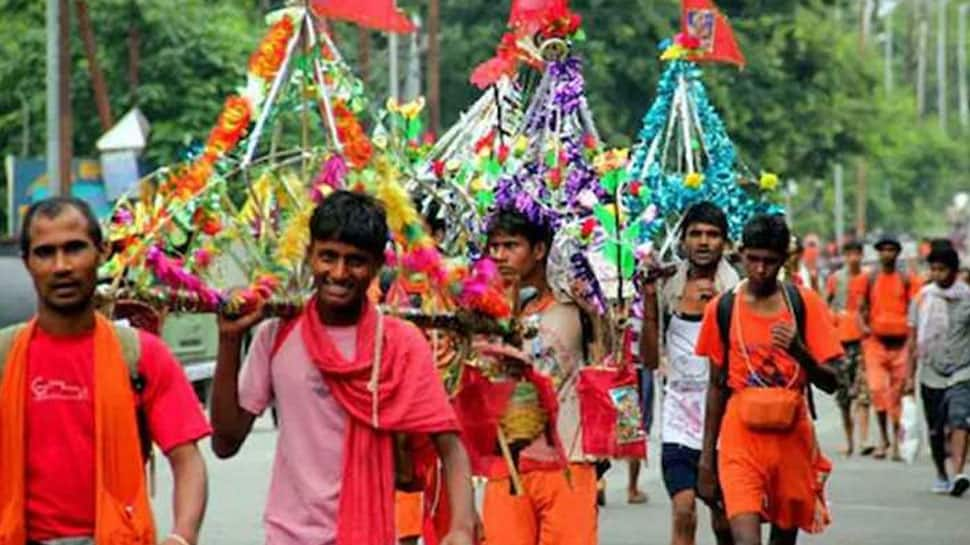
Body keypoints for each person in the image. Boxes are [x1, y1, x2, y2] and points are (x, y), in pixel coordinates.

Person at [210, 190, 475, 545]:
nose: (338, 273)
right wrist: (228, 343)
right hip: (288, 536)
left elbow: (450, 446)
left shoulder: (399, 342)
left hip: (373, 533)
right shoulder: (277, 334)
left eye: (355, 261)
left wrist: (460, 528)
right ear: (309, 255)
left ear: (378, 265)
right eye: (328, 257)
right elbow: (225, 443)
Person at [0, 197, 210, 545]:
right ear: (27, 262)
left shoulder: (141, 356)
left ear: (102, 252)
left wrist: (182, 536)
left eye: (75, 248)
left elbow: (188, 461)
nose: (61, 266)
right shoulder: (5, 357)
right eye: (45, 253)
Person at [696, 214, 841, 545]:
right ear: (741, 253)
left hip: (791, 440)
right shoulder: (723, 308)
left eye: (770, 262)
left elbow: (832, 382)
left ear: (784, 260)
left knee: (783, 540)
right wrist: (707, 458)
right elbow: (716, 386)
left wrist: (799, 351)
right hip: (740, 440)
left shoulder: (804, 304)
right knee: (745, 538)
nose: (760, 269)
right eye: (753, 259)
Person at [482, 208, 598, 545]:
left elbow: (607, 363)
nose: (500, 255)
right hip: (506, 461)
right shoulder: (482, 312)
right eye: (495, 246)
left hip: (569, 461)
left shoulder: (574, 306)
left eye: (511, 245)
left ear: (539, 250)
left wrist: (599, 315)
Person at [639, 202, 738, 545]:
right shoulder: (668, 287)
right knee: (683, 511)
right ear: (682, 241)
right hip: (678, 422)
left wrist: (719, 310)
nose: (703, 242)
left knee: (724, 520)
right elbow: (650, 361)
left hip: (725, 424)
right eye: (695, 234)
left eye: (712, 235)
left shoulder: (737, 292)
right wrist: (649, 303)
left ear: (725, 243)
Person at [906, 246, 970, 496]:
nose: (937, 274)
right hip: (931, 371)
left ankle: (958, 473)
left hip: (962, 369)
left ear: (954, 271)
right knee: (935, 426)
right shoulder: (922, 298)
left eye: (942, 269)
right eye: (933, 269)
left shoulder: (967, 297)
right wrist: (909, 377)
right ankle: (941, 474)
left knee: (959, 418)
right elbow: (912, 340)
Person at [860, 235, 920, 460]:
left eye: (891, 249)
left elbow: (915, 310)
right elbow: (862, 308)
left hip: (901, 345)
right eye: (883, 249)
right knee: (877, 391)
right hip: (876, 343)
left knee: (896, 396)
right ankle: (883, 439)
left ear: (897, 253)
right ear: (878, 253)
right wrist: (865, 328)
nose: (887, 253)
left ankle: (896, 442)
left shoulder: (906, 279)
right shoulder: (871, 279)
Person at [825, 241, 869, 456]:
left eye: (857, 254)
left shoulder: (868, 278)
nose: (853, 258)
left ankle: (864, 440)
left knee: (863, 392)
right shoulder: (836, 279)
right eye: (849, 254)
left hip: (862, 340)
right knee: (843, 396)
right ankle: (849, 440)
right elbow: (826, 304)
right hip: (840, 341)